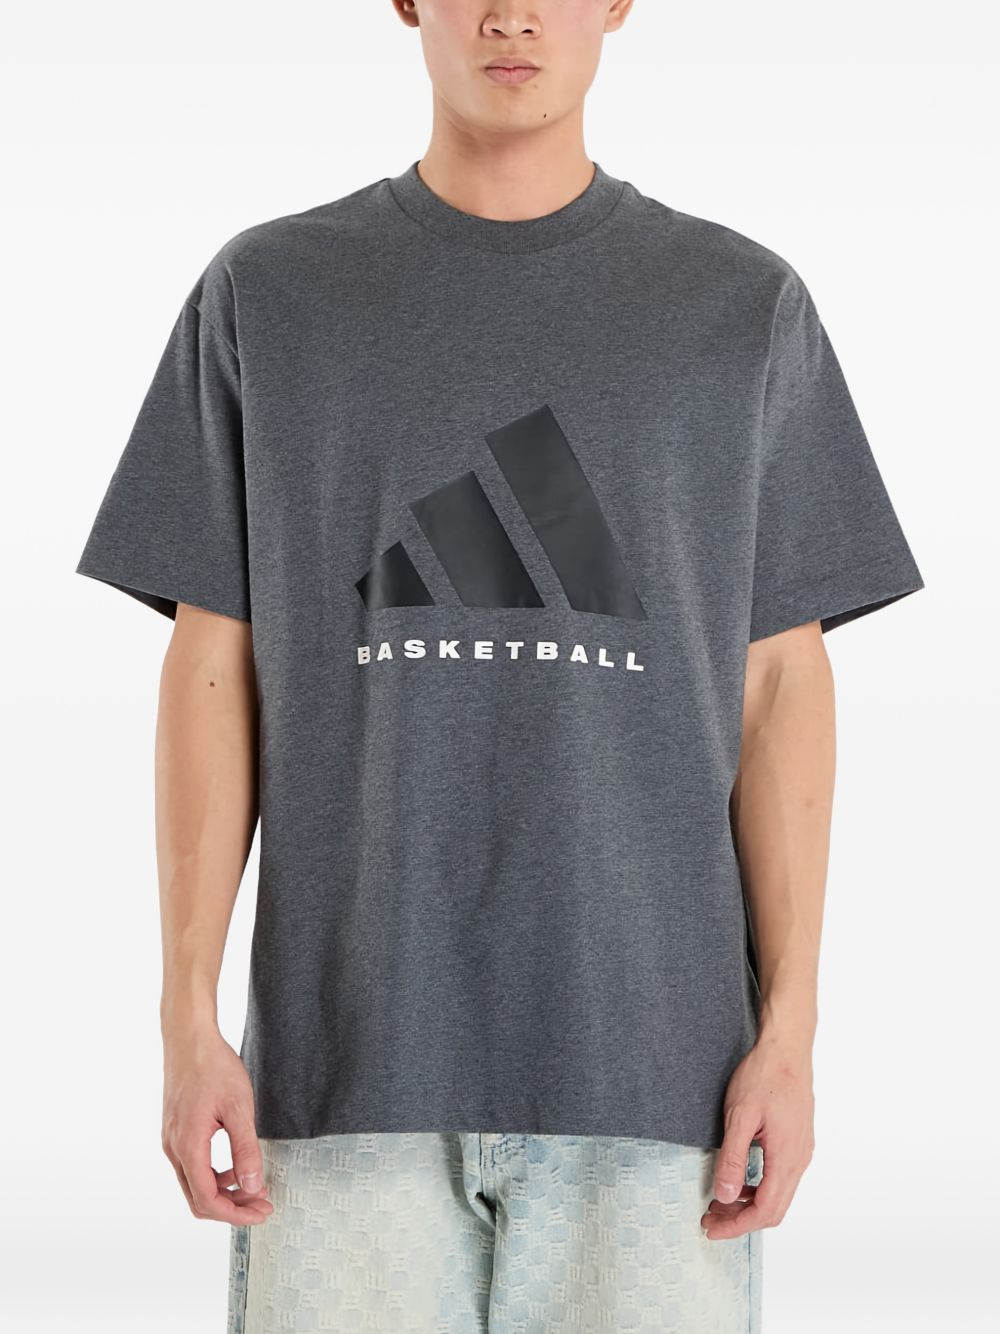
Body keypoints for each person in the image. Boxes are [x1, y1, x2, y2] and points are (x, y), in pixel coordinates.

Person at [74, 2, 925, 1330]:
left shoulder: (740, 309)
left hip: (662, 1094)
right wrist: (189, 1021)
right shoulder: (269, 296)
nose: (513, 12)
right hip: (343, 1083)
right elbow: (211, 668)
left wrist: (792, 1032)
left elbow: (779, 687)